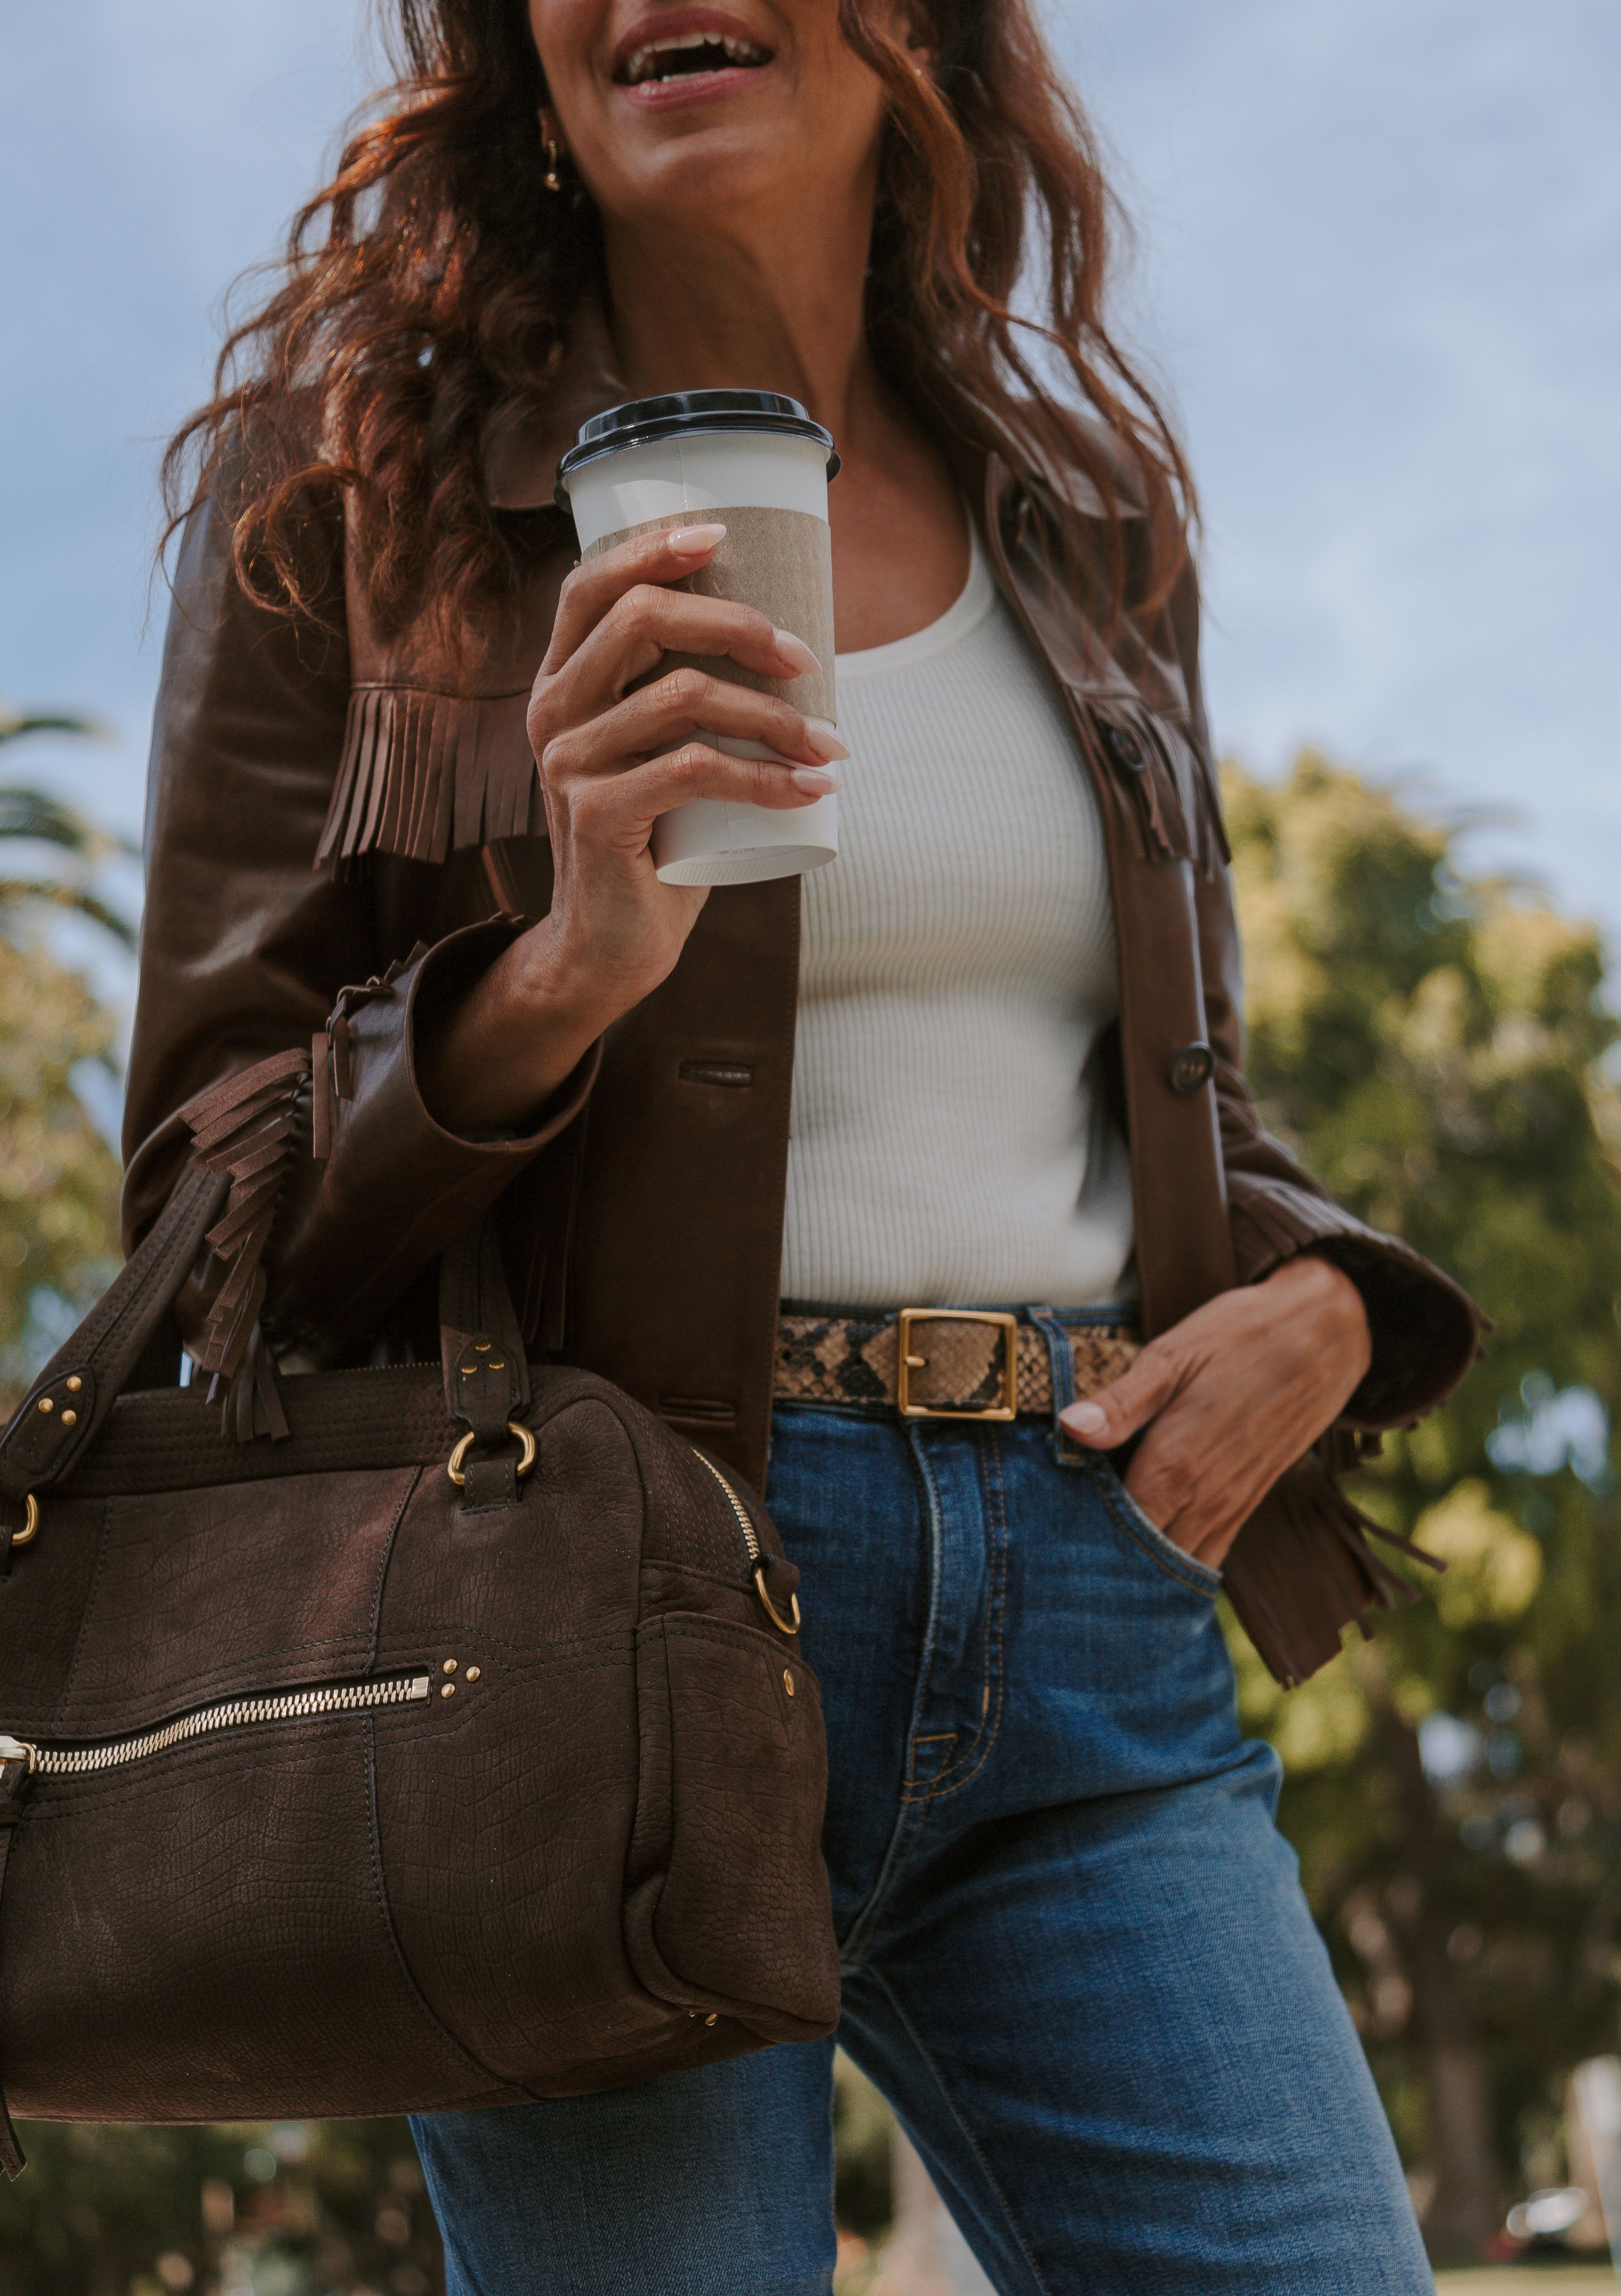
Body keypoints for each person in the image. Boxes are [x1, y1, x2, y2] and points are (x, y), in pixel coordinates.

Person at [128, 0, 1483, 2285]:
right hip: (590, 1640)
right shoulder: (340, 493)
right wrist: (557, 971)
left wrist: (1339, 1298)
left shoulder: (1093, 516)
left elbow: (1181, 1089)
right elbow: (198, 1196)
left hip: (1097, 1614)